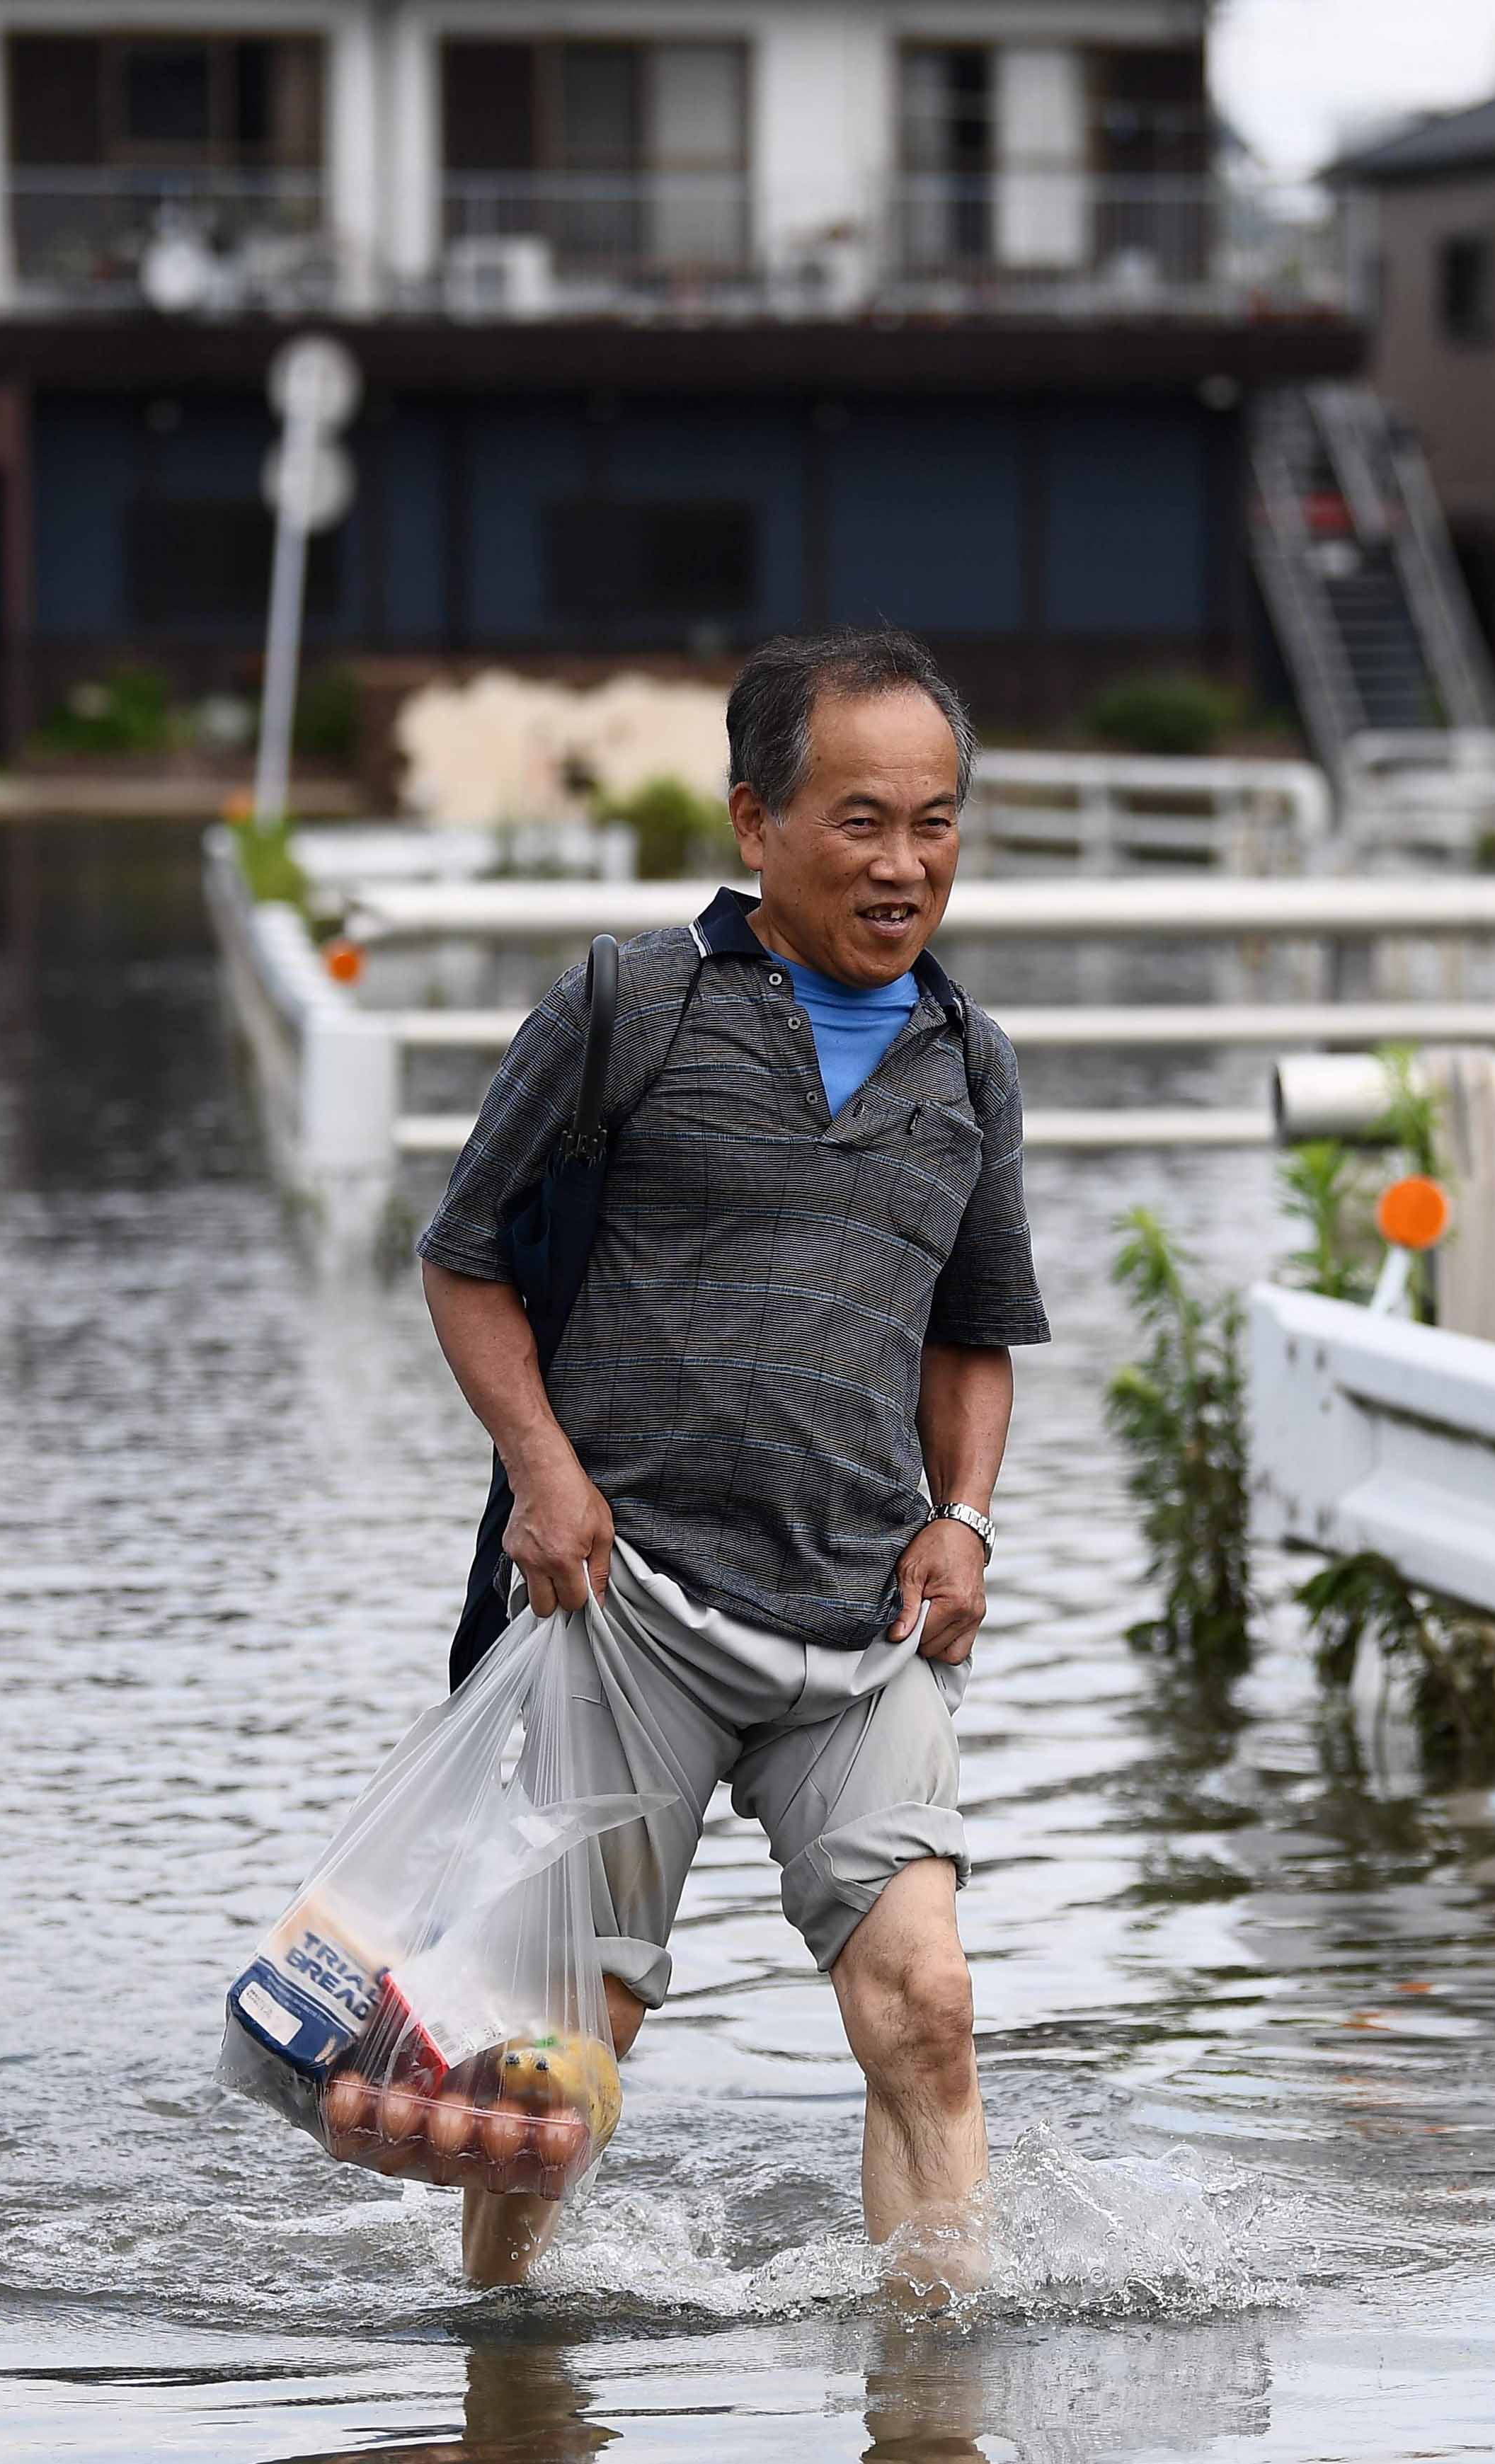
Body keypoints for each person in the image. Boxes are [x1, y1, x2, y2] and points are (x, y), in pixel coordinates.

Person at [415, 627, 1044, 2291]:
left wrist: (965, 1519)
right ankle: (504, 2352)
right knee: (570, 2053)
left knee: (927, 2004)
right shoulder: (628, 1003)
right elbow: (462, 1257)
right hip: (628, 1601)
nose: (904, 864)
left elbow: (973, 1334)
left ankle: (936, 2378)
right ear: (755, 821)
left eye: (934, 822)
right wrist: (544, 1475)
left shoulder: (968, 1060)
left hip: (863, 1619)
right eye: (861, 820)